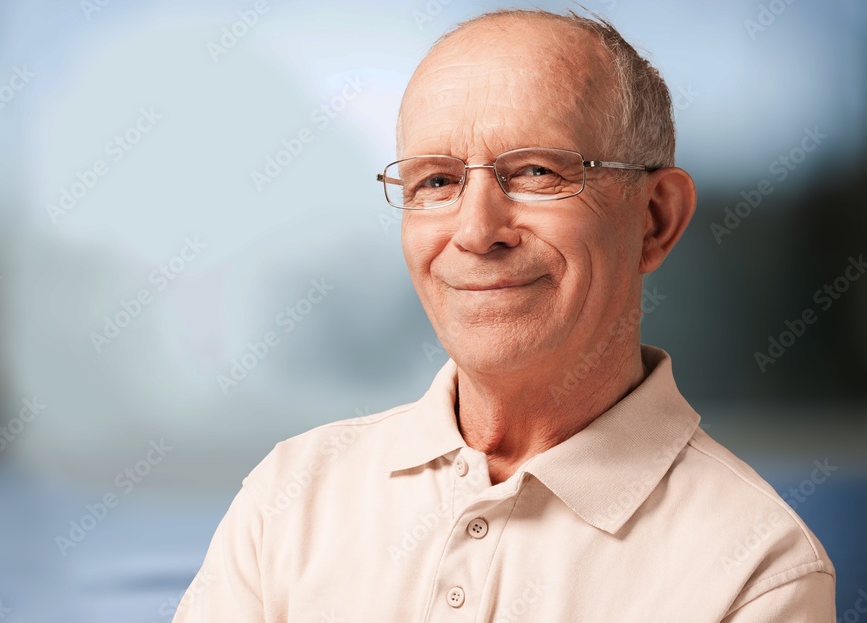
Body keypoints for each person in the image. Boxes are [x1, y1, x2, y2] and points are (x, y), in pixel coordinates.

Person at [173, 9, 835, 621]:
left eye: (537, 171)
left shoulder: (757, 572)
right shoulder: (289, 499)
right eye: (434, 180)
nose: (476, 229)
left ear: (655, 220)